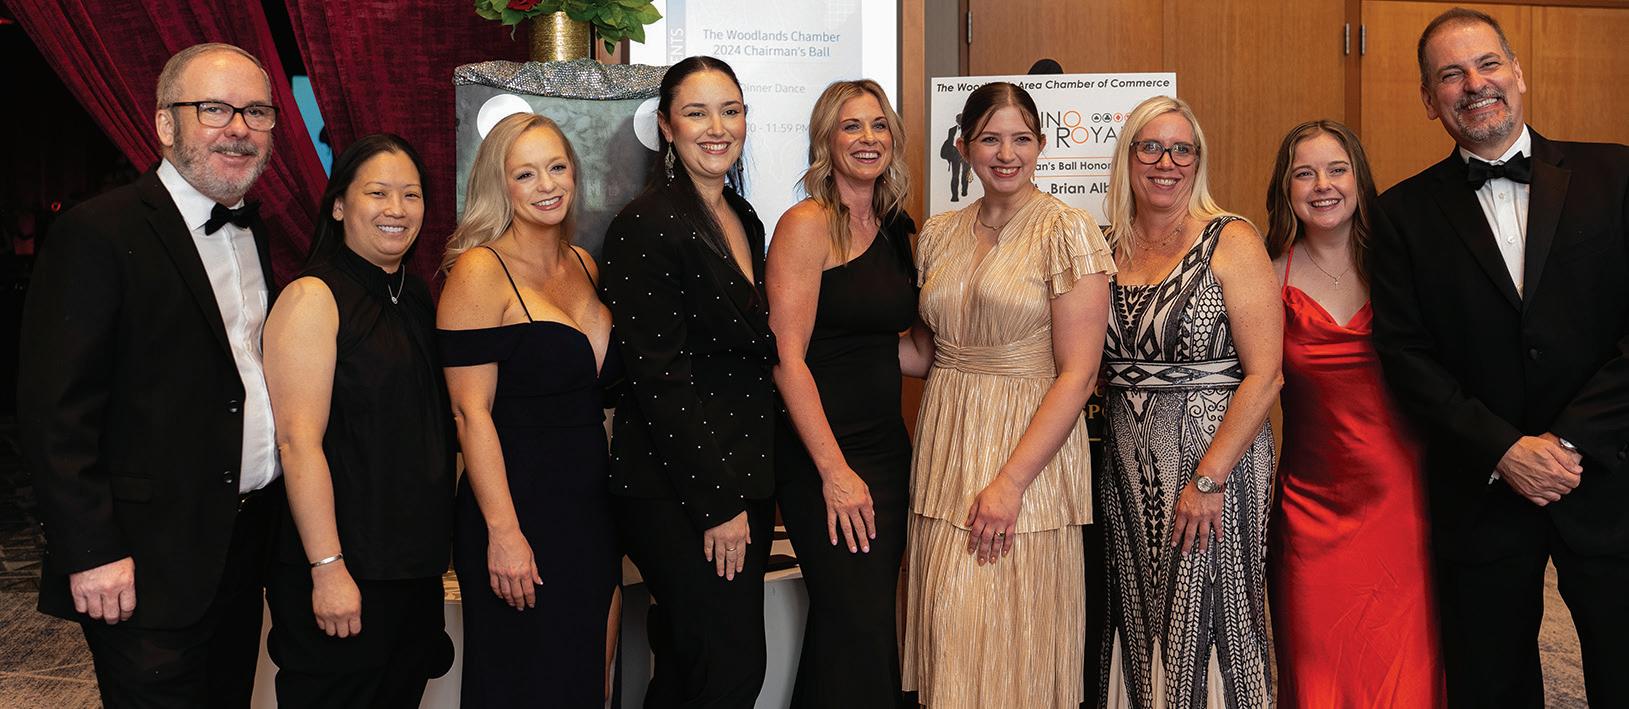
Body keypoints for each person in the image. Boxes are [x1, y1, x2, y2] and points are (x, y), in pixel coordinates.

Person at [1370, 9, 1629, 707]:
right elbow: (1405, 357)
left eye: (1487, 64)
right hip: (1482, 490)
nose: (1473, 84)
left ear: (1517, 72)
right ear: (1429, 100)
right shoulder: (1400, 215)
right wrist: (1505, 449)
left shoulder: (1617, 174)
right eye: (1450, 75)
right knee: (1491, 686)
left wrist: (1568, 441)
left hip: (1609, 475)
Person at [18, 43, 282, 706]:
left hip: (240, 545)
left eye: (256, 112)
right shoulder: (98, 232)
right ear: (166, 123)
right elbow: (55, 413)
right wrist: (91, 550)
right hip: (141, 558)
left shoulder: (258, 232)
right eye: (214, 109)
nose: (239, 128)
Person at [899, 81, 1114, 708]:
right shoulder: (938, 232)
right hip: (945, 449)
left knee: (1015, 641)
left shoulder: (1068, 230)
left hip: (1028, 458)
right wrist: (827, 340)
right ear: (965, 146)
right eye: (990, 138)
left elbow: (1079, 374)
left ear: (1042, 145)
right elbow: (925, 352)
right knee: (951, 635)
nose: (1006, 153)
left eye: (1021, 138)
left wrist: (1011, 483)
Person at [599, 55, 776, 706]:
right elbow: (658, 378)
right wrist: (717, 504)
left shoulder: (742, 216)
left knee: (686, 667)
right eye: (697, 113)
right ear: (667, 127)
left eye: (730, 111)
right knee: (728, 671)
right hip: (680, 490)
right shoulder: (645, 223)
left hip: (741, 473)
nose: (717, 127)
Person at [1096, 95, 1281, 708]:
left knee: (1211, 618)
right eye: (1151, 147)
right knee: (1136, 614)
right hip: (1125, 466)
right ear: (1128, 158)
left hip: (1216, 465)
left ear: (1197, 160)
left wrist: (1208, 479)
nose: (1166, 162)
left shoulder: (1231, 238)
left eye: (1182, 149)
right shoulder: (1103, 245)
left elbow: (1265, 377)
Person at [262, 134, 456, 707]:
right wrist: (328, 569)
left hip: (411, 572)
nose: (397, 209)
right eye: (378, 193)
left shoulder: (415, 295)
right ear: (339, 206)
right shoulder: (312, 297)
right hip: (343, 568)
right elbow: (298, 444)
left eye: (411, 195)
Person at [437, 112, 622, 707]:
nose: (547, 185)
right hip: (518, 511)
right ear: (500, 186)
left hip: (589, 510)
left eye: (557, 167)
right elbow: (470, 415)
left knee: (587, 679)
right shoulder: (479, 270)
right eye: (525, 174)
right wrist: (504, 533)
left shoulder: (584, 264)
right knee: (522, 685)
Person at [1263, 120, 1444, 707]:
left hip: (1403, 500)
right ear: (1286, 188)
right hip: (1309, 505)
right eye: (1304, 173)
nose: (1323, 185)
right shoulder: (1266, 276)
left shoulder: (1403, 268)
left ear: (1360, 181)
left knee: (1404, 666)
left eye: (1337, 170)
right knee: (1318, 666)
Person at [766, 79, 915, 708]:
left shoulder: (898, 227)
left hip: (887, 452)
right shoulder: (806, 224)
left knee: (856, 625)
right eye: (851, 126)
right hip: (824, 457)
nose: (867, 138)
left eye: (878, 125)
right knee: (857, 625)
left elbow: (903, 350)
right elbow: (787, 359)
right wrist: (833, 471)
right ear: (826, 139)